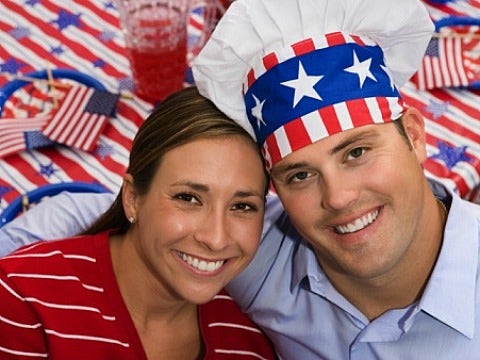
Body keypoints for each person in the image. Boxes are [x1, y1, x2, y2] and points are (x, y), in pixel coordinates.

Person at [2, 0, 480, 359]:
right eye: (300, 174)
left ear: (415, 137)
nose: (338, 197)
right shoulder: (253, 244)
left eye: (356, 152)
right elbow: (112, 212)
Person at [0, 86, 276, 359]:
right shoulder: (20, 300)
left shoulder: (251, 345)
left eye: (242, 206)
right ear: (132, 197)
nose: (216, 238)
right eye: (188, 198)